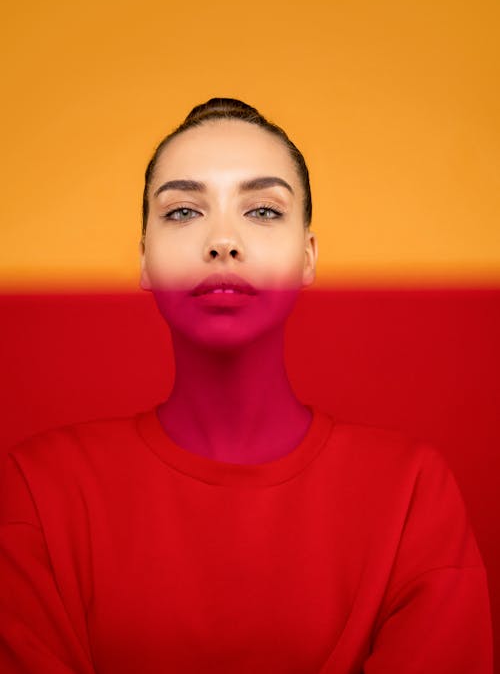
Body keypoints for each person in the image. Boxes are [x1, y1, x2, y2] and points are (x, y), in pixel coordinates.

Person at [0, 98, 493, 673]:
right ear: (144, 259)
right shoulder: (38, 488)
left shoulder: (413, 490)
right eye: (184, 212)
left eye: (262, 211)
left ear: (308, 256)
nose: (223, 242)